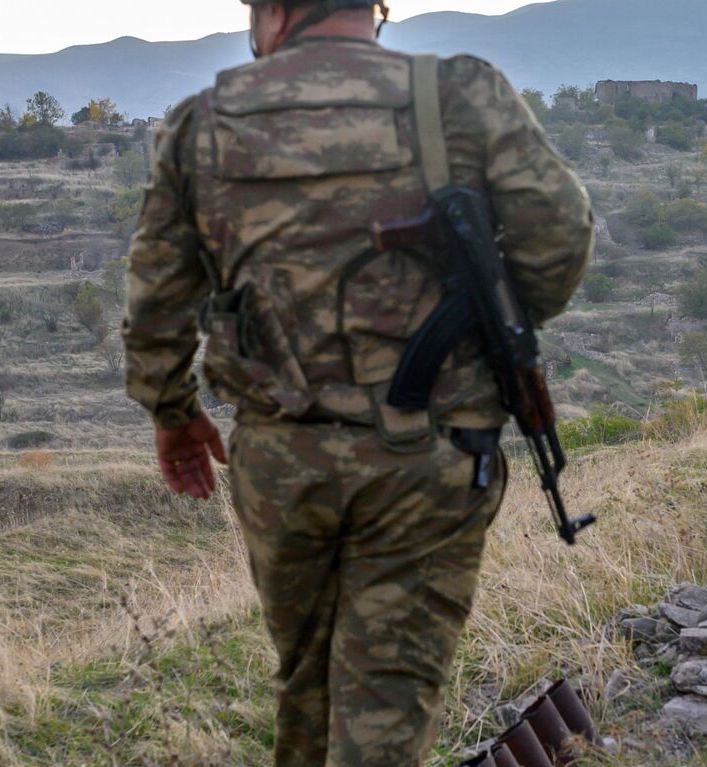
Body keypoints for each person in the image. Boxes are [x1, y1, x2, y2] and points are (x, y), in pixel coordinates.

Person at [120, 0, 594, 763]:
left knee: (307, 691)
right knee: (384, 708)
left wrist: (172, 412)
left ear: (273, 12)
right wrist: (483, 321)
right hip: (427, 461)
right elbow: (561, 235)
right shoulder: (459, 95)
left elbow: (156, 300)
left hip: (282, 467)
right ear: (372, 9)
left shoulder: (201, 124)